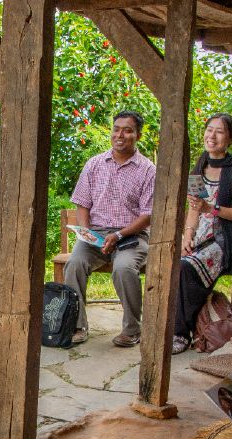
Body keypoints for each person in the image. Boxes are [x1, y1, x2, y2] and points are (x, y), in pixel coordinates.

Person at [64, 110, 156, 347]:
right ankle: (77, 326)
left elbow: (148, 214)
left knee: (124, 268)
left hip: (132, 235)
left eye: (127, 130)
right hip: (97, 235)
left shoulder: (147, 169)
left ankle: (132, 329)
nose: (120, 134)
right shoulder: (95, 164)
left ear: (138, 135)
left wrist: (119, 234)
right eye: (116, 129)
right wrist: (87, 234)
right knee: (74, 264)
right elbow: (82, 203)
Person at [172, 113, 232, 354]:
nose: (212, 136)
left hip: (224, 240)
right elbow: (194, 209)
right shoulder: (200, 165)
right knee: (172, 261)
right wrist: (187, 236)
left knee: (186, 267)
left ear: (230, 138)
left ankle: (180, 332)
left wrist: (213, 209)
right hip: (199, 236)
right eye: (209, 130)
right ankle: (173, 324)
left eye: (219, 131)